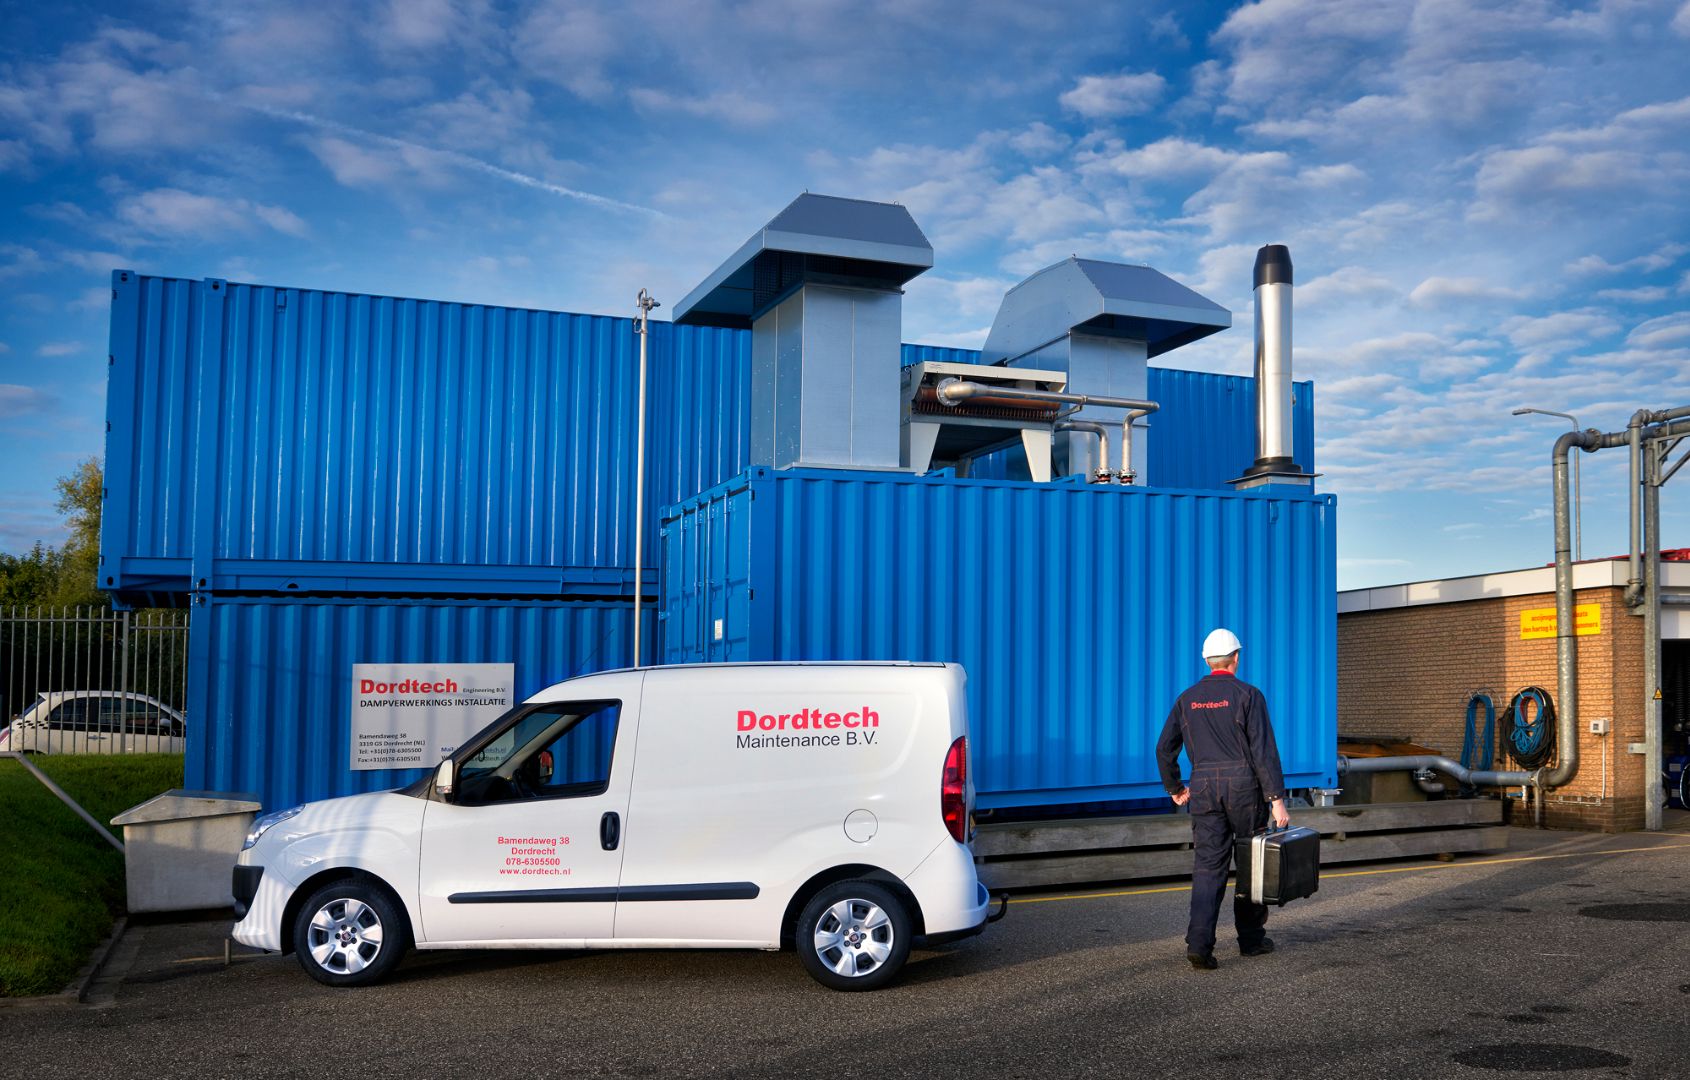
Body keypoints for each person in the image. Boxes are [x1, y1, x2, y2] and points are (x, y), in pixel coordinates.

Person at [1155, 627, 1290, 970]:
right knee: (1250, 866)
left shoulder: (1187, 699)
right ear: (1236, 658)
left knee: (1207, 868)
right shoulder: (1249, 695)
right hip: (1244, 788)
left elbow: (1164, 749)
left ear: (1207, 660)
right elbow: (1263, 751)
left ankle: (1199, 945)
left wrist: (1175, 788)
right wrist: (1276, 798)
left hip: (1203, 788)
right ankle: (1251, 941)